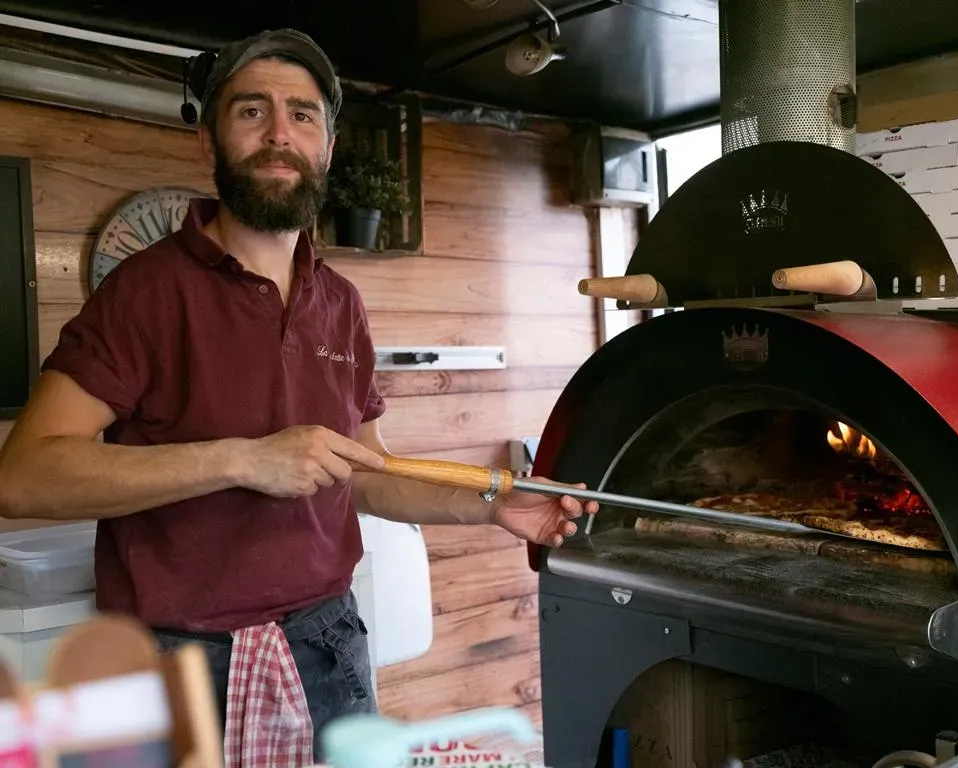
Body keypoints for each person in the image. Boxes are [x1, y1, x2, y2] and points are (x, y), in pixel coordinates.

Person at [0, 28, 596, 764]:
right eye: (252, 111)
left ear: (327, 147)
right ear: (209, 141)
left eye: (303, 115)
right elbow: (24, 475)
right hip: (177, 662)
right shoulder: (144, 292)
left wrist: (490, 503)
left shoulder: (340, 301)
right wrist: (243, 459)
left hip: (329, 645)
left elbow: (368, 474)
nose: (280, 133)